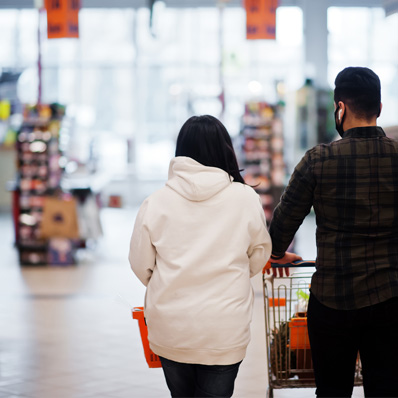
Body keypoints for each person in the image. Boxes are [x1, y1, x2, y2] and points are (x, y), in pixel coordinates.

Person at [268, 66, 398, 397]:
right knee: (386, 387)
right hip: (391, 298)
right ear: (379, 109)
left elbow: (281, 227)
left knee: (332, 390)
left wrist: (278, 253)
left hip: (333, 299)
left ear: (340, 108)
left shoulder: (317, 160)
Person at [129, 115, 272, 398]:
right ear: (225, 149)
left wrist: (169, 284)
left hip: (171, 327)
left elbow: (140, 264)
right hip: (224, 329)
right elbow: (258, 254)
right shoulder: (245, 199)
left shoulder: (156, 202)